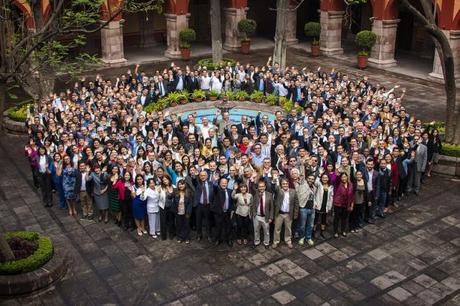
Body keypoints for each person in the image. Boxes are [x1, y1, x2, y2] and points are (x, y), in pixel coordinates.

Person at [271, 177, 299, 249]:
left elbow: (296, 203)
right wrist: (274, 180)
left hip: (288, 214)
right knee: (277, 229)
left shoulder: (293, 191)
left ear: (288, 184)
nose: (285, 185)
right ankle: (276, 242)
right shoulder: (279, 191)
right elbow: (274, 188)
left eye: (286, 183)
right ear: (281, 185)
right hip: (279, 214)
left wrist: (295, 214)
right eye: (283, 184)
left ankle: (288, 241)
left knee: (288, 229)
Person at [211, 177, 235, 246]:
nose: (224, 184)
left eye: (225, 183)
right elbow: (215, 186)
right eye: (222, 183)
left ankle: (229, 240)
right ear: (220, 183)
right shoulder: (217, 190)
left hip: (227, 212)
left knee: (228, 227)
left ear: (227, 184)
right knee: (218, 227)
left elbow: (232, 202)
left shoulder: (230, 191)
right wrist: (215, 181)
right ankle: (218, 240)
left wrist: (232, 210)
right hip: (219, 212)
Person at [193, 171, 214, 242]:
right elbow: (194, 180)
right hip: (199, 205)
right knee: (198, 221)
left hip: (208, 205)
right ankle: (199, 235)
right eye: (201, 175)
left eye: (204, 175)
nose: (203, 177)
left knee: (208, 221)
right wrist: (195, 176)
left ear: (207, 176)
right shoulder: (198, 183)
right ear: (199, 176)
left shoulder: (211, 184)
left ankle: (209, 235)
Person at [252, 180, 273, 249]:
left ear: (265, 187)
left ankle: (266, 243)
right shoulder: (256, 194)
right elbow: (253, 205)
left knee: (266, 231)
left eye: (262, 186)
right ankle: (256, 242)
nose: (261, 188)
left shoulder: (269, 195)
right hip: (257, 216)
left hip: (265, 217)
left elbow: (272, 208)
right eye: (260, 187)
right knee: (256, 230)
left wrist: (271, 217)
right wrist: (254, 214)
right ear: (258, 187)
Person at [333, 172, 354, 238]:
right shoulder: (338, 184)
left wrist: (351, 204)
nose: (344, 178)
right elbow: (336, 180)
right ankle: (336, 231)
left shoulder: (350, 184)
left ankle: (343, 231)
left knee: (344, 218)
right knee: (337, 218)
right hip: (338, 204)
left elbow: (352, 195)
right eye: (342, 177)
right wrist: (337, 174)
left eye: (345, 176)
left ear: (347, 177)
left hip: (346, 204)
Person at [313, 173, 334, 239]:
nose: (325, 179)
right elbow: (315, 182)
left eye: (326, 177)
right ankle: (313, 231)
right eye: (323, 177)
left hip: (326, 205)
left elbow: (331, 197)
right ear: (321, 178)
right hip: (319, 204)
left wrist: (330, 206)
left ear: (328, 179)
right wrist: (319, 175)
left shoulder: (331, 186)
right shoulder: (319, 184)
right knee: (315, 219)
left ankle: (322, 232)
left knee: (323, 219)